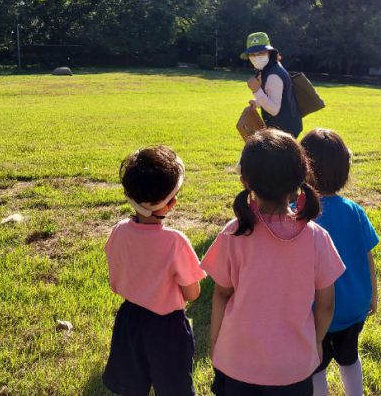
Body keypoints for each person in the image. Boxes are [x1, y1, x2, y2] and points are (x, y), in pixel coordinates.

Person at [201, 128, 345, 395]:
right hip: (294, 369)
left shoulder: (233, 233)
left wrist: (213, 340)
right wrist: (315, 341)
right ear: (302, 176)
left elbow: (221, 294)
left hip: (235, 363)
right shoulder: (317, 238)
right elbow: (326, 305)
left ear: (245, 181)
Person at [102, 146, 207, 396]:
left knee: (131, 385)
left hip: (129, 321)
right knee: (174, 387)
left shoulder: (118, 231)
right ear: (171, 203)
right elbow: (192, 293)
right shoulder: (175, 242)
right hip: (167, 330)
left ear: (127, 193)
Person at [300, 128, 379, 396]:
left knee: (315, 366)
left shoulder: (297, 216)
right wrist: (373, 294)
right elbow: (368, 257)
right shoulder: (355, 211)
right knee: (350, 357)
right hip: (353, 307)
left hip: (314, 312)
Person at [241, 32, 303, 139]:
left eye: (261, 52)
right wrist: (258, 102)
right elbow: (272, 95)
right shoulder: (265, 69)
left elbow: (274, 109)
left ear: (270, 53)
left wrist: (256, 91)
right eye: (252, 54)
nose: (256, 57)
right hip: (282, 127)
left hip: (285, 130)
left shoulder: (273, 74)